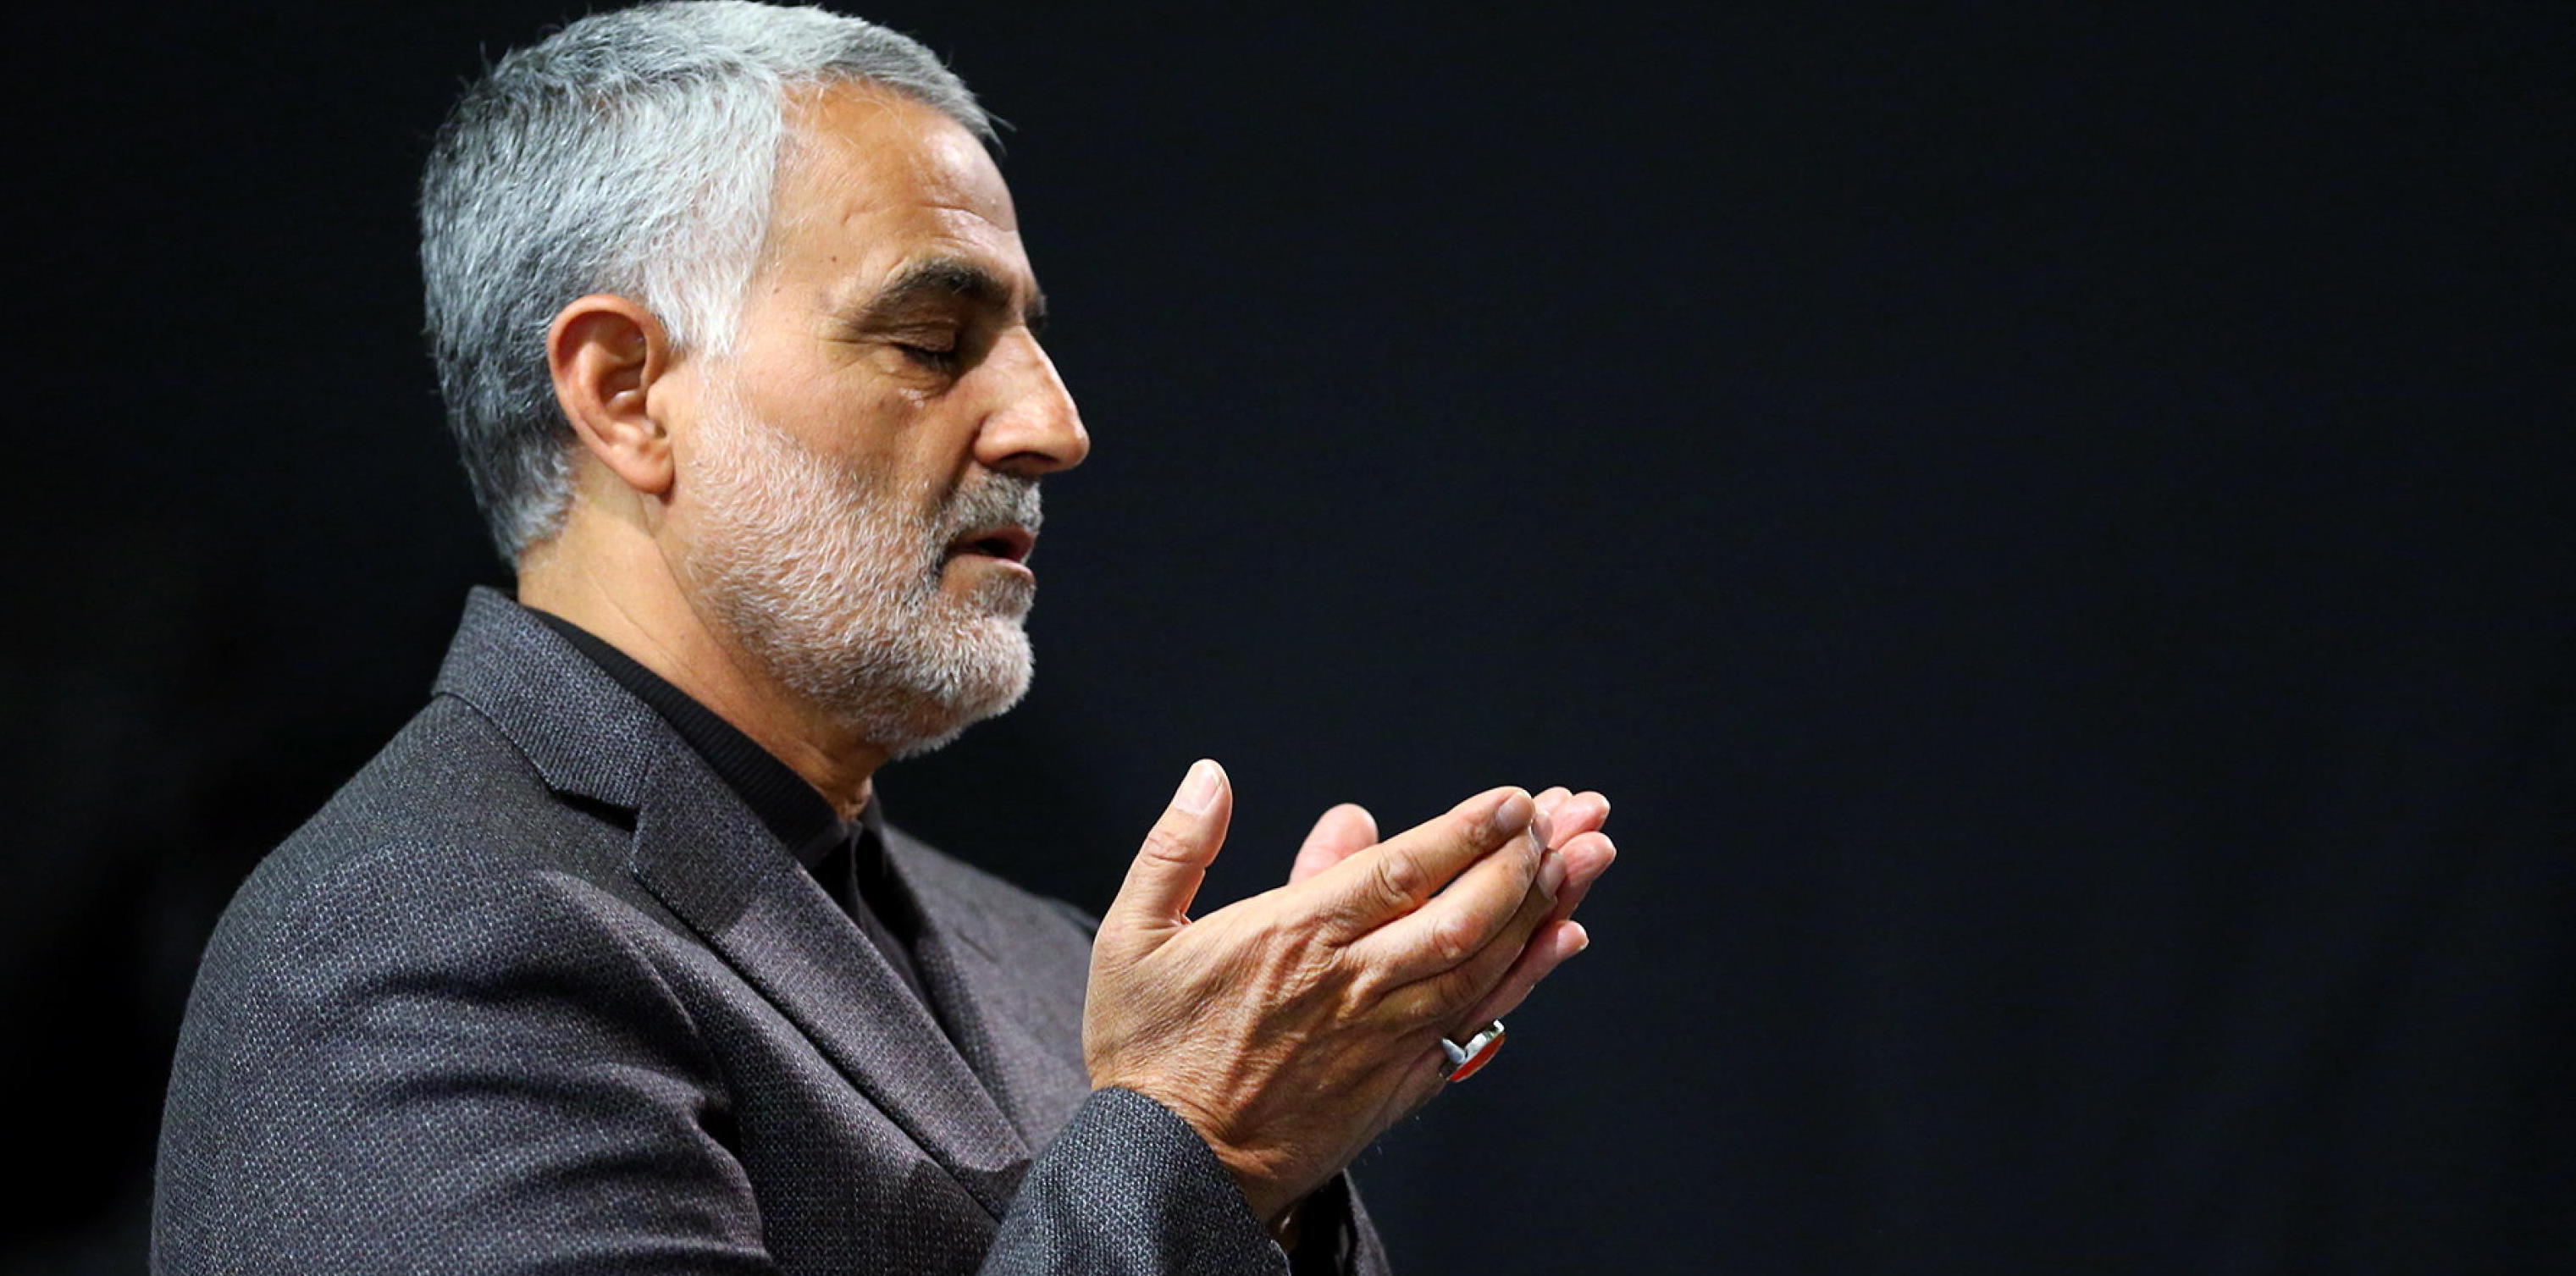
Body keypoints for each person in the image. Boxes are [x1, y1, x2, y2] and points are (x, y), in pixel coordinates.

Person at [151, 3, 1618, 1273]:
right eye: (930, 343)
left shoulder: (1049, 958)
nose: (1054, 426)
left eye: (1035, 338)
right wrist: (1206, 1148)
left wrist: (1278, 1182)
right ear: (623, 394)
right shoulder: (415, 945)